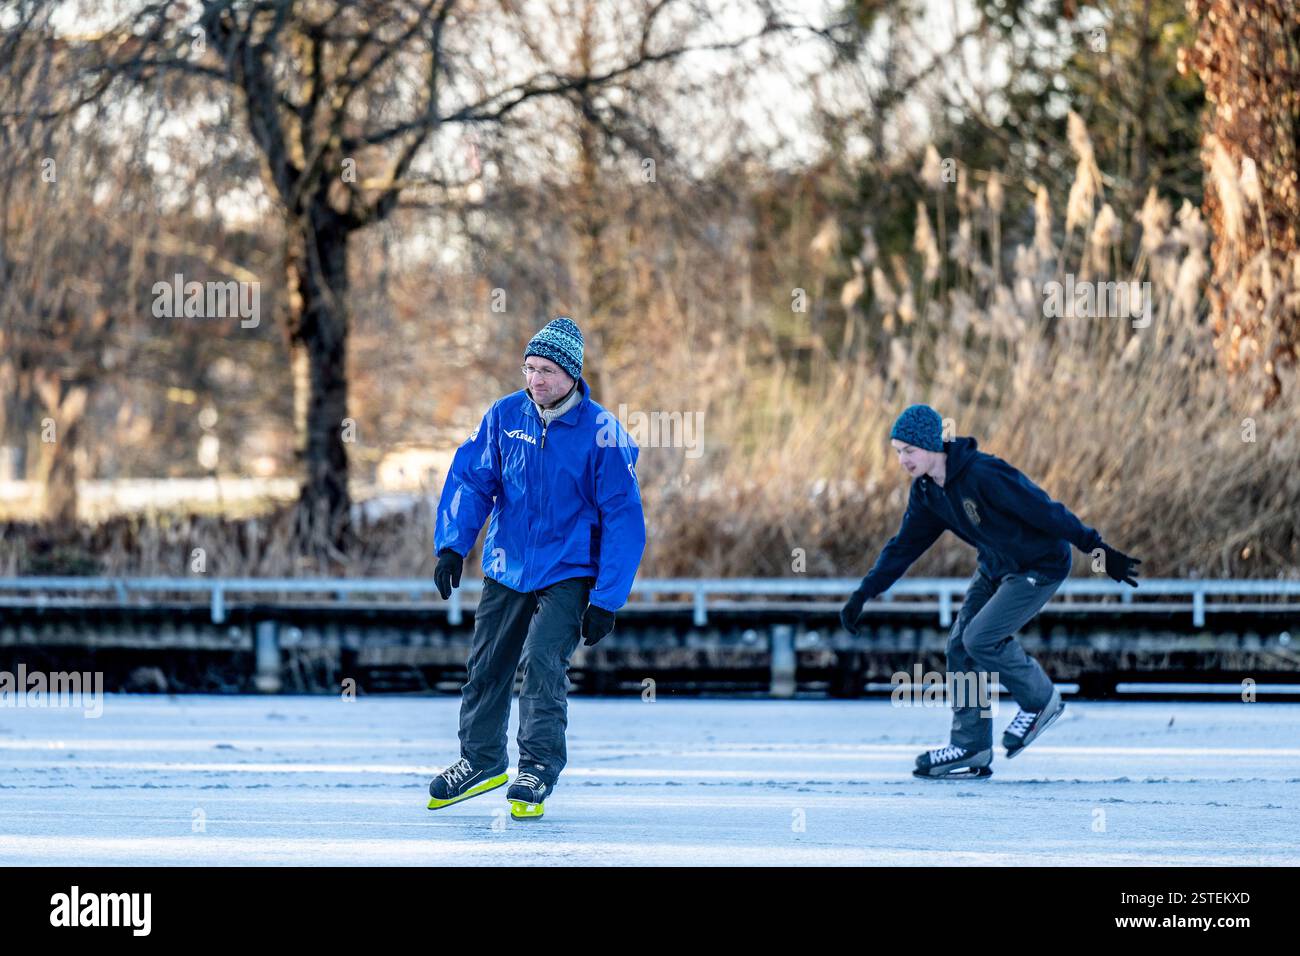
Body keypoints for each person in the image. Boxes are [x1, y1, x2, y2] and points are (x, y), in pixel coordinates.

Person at [840, 404, 1140, 779]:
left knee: (980, 637)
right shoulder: (927, 493)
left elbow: (1046, 510)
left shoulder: (984, 474)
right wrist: (864, 593)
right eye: (897, 452)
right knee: (959, 647)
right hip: (996, 566)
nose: (902, 460)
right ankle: (972, 745)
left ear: (932, 444)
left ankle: (1040, 700)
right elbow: (903, 547)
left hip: (1039, 565)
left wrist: (1097, 550)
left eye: (909, 450)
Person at [427, 316, 646, 819]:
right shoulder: (505, 417)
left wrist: (607, 599)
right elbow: (472, 480)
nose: (535, 380)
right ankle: (481, 760)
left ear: (570, 374)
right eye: (529, 368)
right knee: (487, 665)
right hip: (508, 564)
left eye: (546, 369)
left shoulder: (603, 434)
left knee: (544, 664)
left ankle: (536, 768)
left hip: (570, 569)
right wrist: (453, 546)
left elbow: (624, 521)